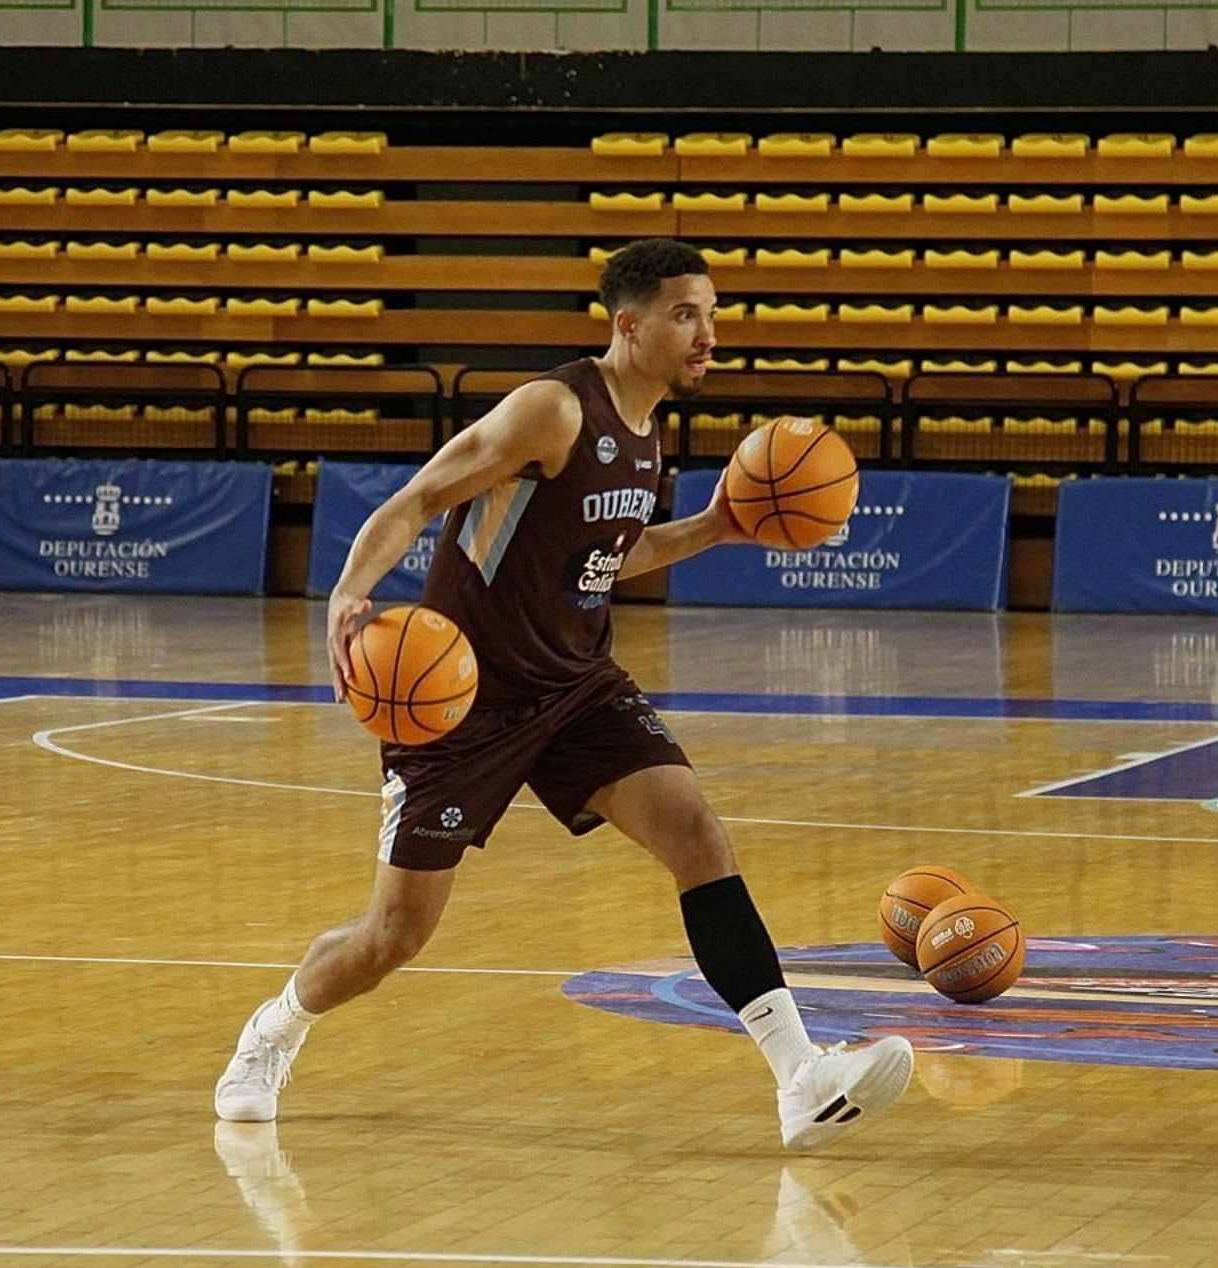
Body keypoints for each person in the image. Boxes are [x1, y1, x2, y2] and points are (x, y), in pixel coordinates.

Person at [214, 238, 913, 1149]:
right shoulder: (553, 410)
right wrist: (351, 588)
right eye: (685, 315)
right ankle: (273, 1030)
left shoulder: (647, 430)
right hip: (460, 700)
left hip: (576, 685)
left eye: (711, 314)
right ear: (629, 325)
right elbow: (420, 498)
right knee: (395, 934)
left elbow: (609, 556)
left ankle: (801, 1076)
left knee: (697, 834)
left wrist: (718, 525)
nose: (707, 334)